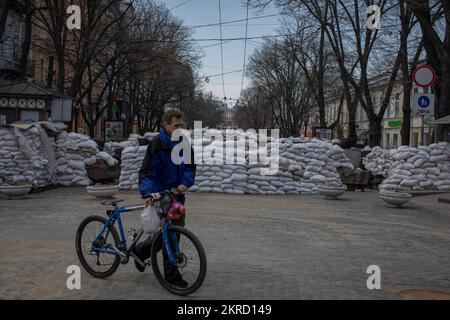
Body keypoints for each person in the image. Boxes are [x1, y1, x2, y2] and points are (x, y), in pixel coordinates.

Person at [133, 110, 196, 288]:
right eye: (175, 125)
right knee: (170, 235)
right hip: (160, 197)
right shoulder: (157, 144)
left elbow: (190, 168)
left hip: (176, 197)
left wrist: (185, 184)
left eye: (181, 125)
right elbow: (146, 173)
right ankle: (171, 276)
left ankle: (141, 251)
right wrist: (149, 193)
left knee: (173, 232)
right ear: (166, 125)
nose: (179, 128)